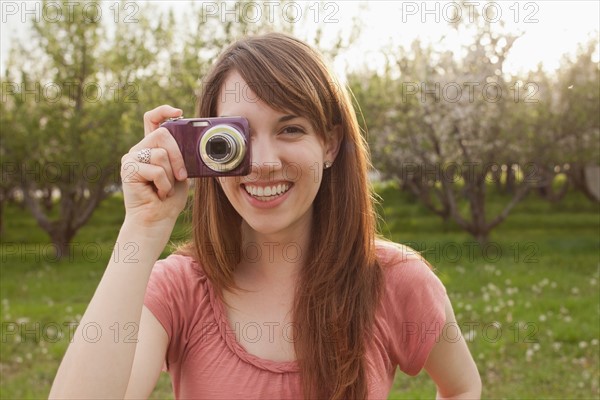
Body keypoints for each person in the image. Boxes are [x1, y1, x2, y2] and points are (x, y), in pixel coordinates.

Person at [49, 32, 481, 399]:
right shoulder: (179, 288)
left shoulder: (397, 279)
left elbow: (463, 387)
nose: (263, 162)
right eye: (235, 138)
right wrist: (141, 230)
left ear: (330, 145)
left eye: (290, 129)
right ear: (204, 150)